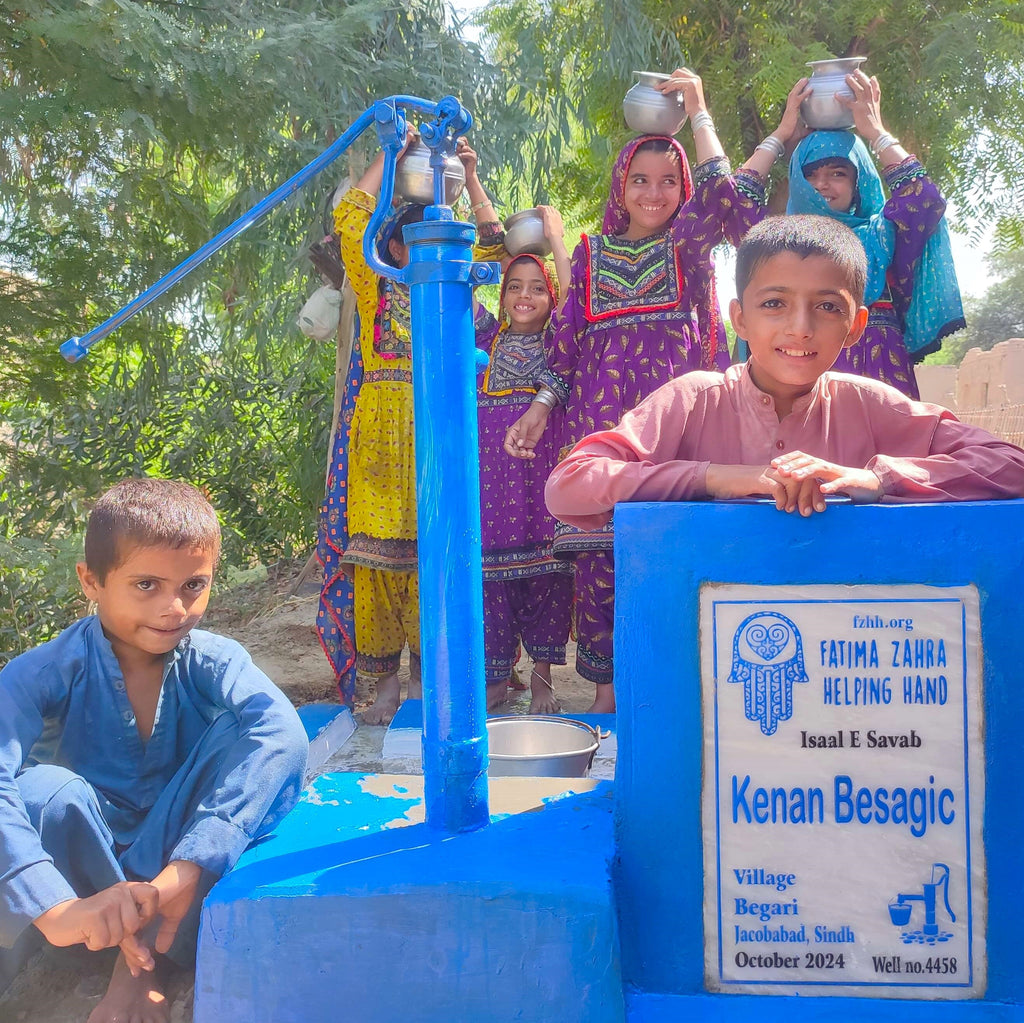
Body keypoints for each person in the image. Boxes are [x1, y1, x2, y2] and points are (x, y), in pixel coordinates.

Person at [505, 68, 800, 711]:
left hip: (681, 434)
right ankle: (610, 702)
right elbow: (566, 349)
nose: (654, 193)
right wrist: (537, 408)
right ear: (621, 185)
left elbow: (731, 198)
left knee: (676, 556)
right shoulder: (587, 257)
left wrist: (697, 109)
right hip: (606, 433)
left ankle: (680, 694)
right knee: (604, 569)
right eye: (641, 180)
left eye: (669, 181)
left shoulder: (690, 246)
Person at [0, 479, 307, 1023]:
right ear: (91, 580)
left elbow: (280, 732)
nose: (174, 608)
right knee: (44, 790)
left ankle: (141, 968)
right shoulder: (46, 670)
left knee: (247, 736)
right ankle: (108, 946)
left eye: (194, 584)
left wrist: (186, 870)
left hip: (178, 866)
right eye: (146, 584)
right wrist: (55, 906)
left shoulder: (213, 659)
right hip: (85, 888)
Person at [545, 215, 1024, 529]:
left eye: (827, 307)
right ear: (740, 318)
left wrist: (877, 479)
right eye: (774, 303)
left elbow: (1012, 466)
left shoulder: (870, 404)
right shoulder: (694, 399)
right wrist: (719, 478)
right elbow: (570, 486)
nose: (800, 328)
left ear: (856, 327)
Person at [781, 69, 964, 398]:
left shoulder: (883, 232)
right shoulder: (782, 243)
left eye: (837, 173)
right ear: (797, 179)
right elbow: (729, 204)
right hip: (807, 380)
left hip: (883, 379)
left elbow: (925, 199)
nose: (823, 184)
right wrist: (780, 135)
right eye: (811, 174)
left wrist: (877, 133)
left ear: (859, 180)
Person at [467, 165, 574, 713]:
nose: (525, 296)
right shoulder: (484, 335)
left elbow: (579, 298)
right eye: (515, 287)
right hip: (492, 483)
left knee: (548, 575)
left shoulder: (561, 341)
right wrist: (470, 177)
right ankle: (496, 675)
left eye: (537, 288)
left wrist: (555, 238)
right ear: (503, 294)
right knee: (491, 580)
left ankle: (543, 678)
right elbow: (478, 264)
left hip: (540, 477)